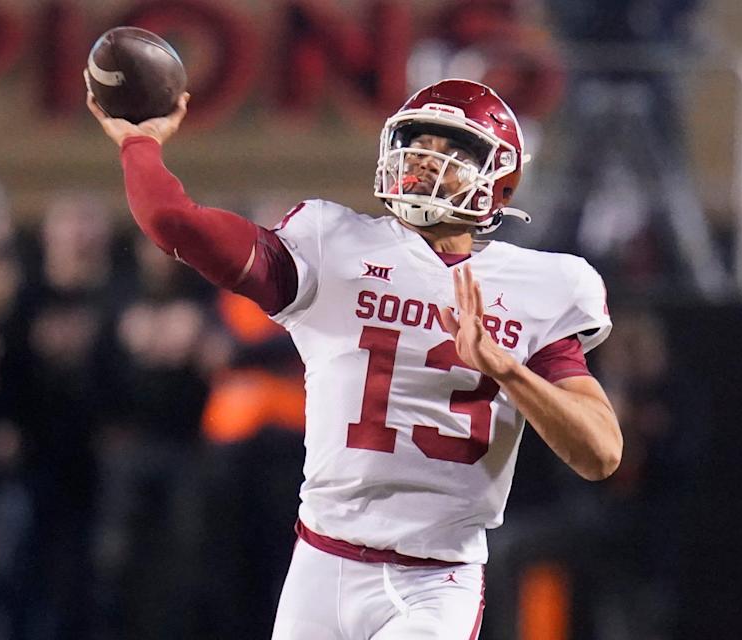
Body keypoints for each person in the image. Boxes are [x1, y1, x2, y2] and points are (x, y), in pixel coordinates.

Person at [86, 73, 622, 639]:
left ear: (501, 182)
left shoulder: (538, 285)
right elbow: (175, 224)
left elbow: (602, 454)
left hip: (434, 581)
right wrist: (138, 144)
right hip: (322, 562)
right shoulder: (333, 245)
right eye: (419, 141)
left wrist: (508, 370)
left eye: (450, 149)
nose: (425, 159)